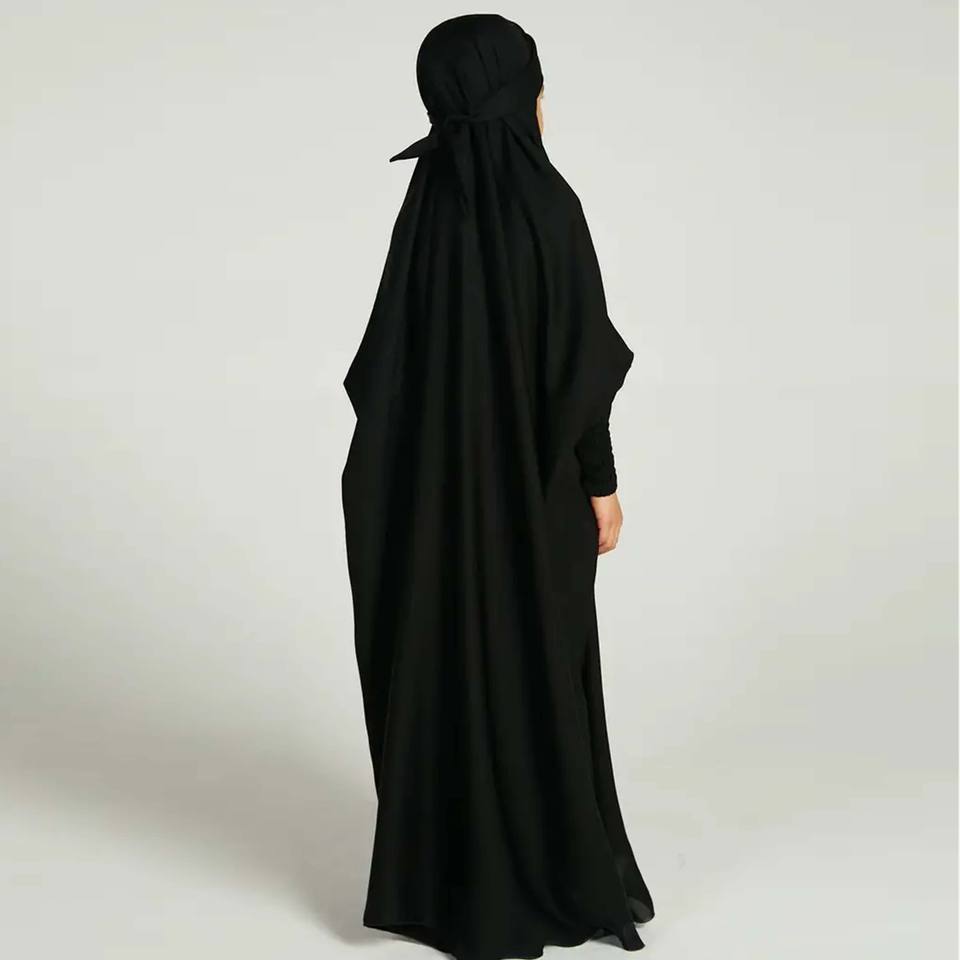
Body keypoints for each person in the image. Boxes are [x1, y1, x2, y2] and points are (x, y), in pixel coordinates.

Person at [342, 14, 655, 960]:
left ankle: (451, 879)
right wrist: (601, 484)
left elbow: (386, 375)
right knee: (540, 660)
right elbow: (577, 366)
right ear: (519, 96)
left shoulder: (428, 208)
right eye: (537, 85)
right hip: (535, 496)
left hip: (430, 502)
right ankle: (551, 868)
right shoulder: (546, 207)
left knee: (447, 657)